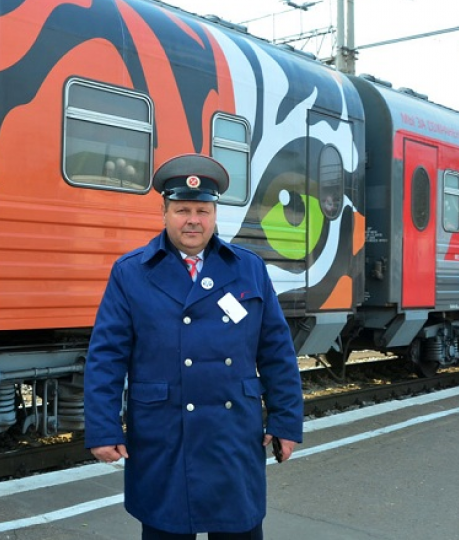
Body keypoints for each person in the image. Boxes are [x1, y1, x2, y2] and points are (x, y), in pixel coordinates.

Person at [84, 153, 304, 540]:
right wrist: (102, 428)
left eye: (202, 210)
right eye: (182, 209)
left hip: (232, 436)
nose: (193, 220)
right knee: (166, 528)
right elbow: (107, 357)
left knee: (238, 529)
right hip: (164, 435)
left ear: (214, 214)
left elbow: (276, 352)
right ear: (164, 212)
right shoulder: (131, 272)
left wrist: (286, 421)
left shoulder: (247, 268)